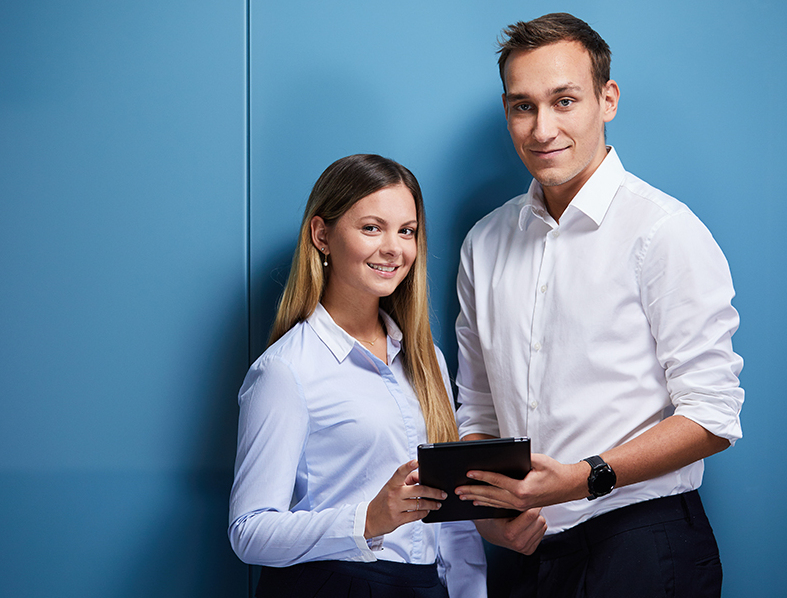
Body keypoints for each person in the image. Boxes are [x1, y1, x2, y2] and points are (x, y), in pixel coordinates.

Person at [452, 13, 744, 598]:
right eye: (522, 106)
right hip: (528, 553)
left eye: (564, 101)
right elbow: (479, 411)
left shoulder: (664, 232)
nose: (542, 129)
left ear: (606, 99)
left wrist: (587, 477)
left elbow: (712, 415)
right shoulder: (484, 242)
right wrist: (484, 513)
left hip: (642, 543)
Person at [228, 154, 486, 598]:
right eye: (372, 228)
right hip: (330, 584)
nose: (394, 248)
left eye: (407, 231)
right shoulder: (285, 370)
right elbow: (249, 532)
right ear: (322, 235)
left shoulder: (428, 362)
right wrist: (366, 519)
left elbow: (451, 520)